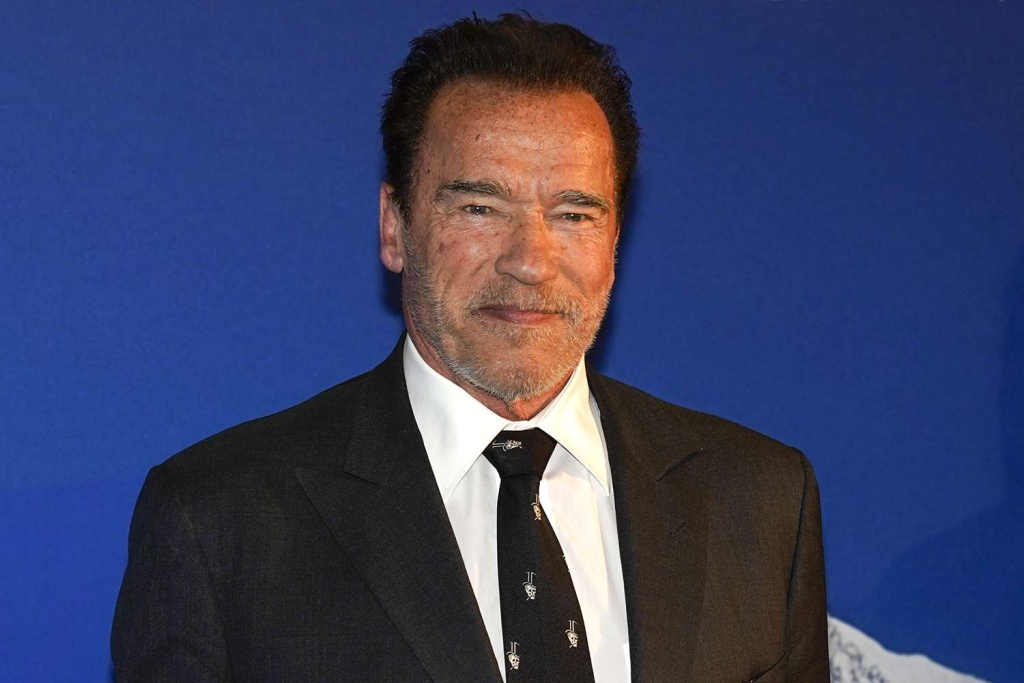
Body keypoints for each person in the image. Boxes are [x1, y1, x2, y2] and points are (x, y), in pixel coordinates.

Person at [112, 12, 828, 683]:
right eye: (481, 207)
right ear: (394, 226)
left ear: (615, 241)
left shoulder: (761, 499)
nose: (530, 261)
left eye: (574, 213)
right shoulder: (219, 520)